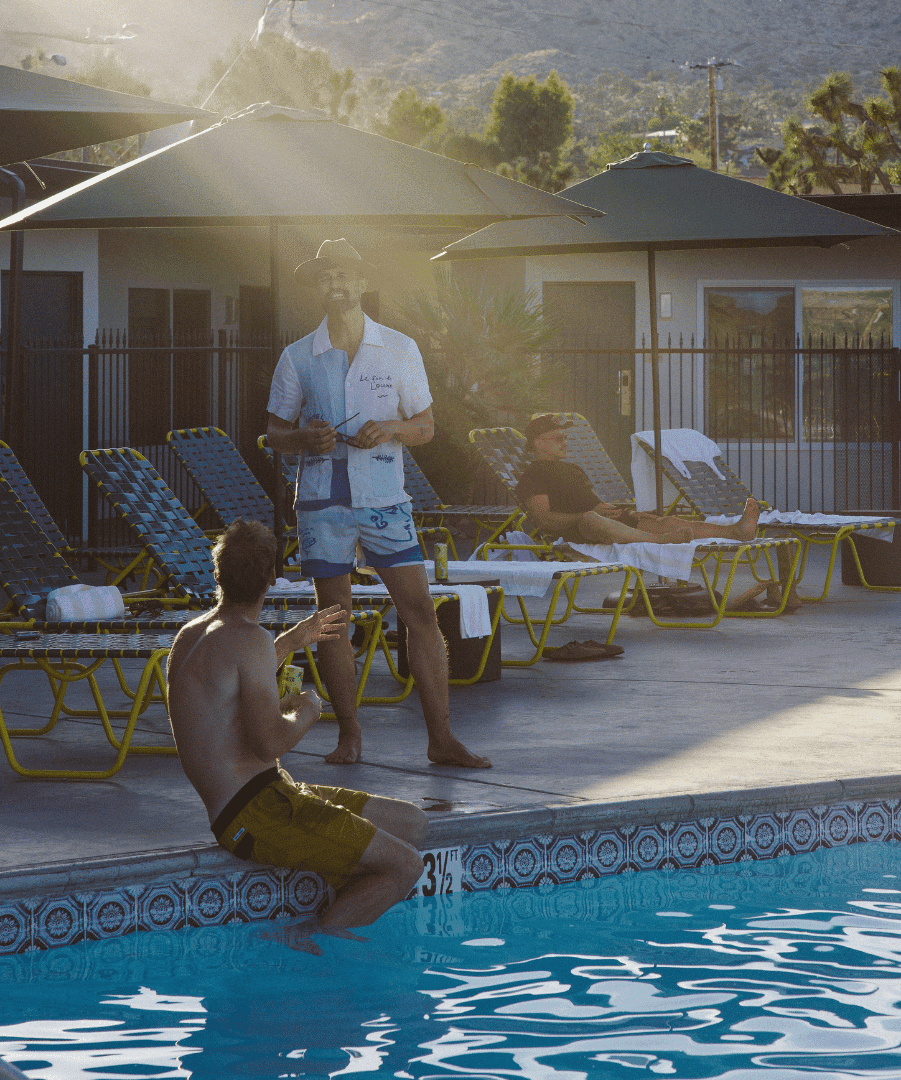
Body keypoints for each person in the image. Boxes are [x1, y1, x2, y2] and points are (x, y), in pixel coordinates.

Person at [265, 238, 489, 768]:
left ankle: (442, 737)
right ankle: (349, 736)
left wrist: (389, 427)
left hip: (385, 498)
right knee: (334, 619)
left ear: (363, 282)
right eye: (325, 276)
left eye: (345, 273)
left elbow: (427, 426)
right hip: (322, 501)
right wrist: (305, 439)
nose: (336, 283)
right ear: (316, 287)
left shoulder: (399, 348)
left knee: (420, 612)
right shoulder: (298, 355)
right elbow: (274, 433)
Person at [166, 519, 427, 953]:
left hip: (258, 801)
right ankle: (309, 942)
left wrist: (289, 641)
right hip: (256, 814)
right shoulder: (248, 639)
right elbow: (270, 744)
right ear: (272, 577)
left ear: (218, 573)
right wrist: (308, 711)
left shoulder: (190, 635)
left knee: (411, 823)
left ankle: (341, 868)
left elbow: (224, 691)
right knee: (405, 867)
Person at [516, 414, 799, 610]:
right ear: (538, 443)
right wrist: (586, 515)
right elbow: (544, 519)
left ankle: (736, 531)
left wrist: (606, 510)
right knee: (595, 520)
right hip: (575, 530)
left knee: (663, 519)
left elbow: (586, 503)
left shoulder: (570, 469)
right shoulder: (534, 475)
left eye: (565, 437)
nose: (564, 442)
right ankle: (660, 542)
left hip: (602, 522)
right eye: (557, 438)